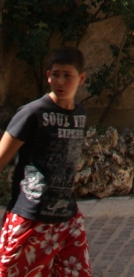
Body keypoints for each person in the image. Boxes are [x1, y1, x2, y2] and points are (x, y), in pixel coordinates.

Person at [0, 47, 91, 276]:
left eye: (67, 75)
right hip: (31, 218)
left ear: (81, 78)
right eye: (55, 74)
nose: (59, 81)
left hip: (67, 219)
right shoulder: (32, 113)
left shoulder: (80, 114)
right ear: (48, 75)